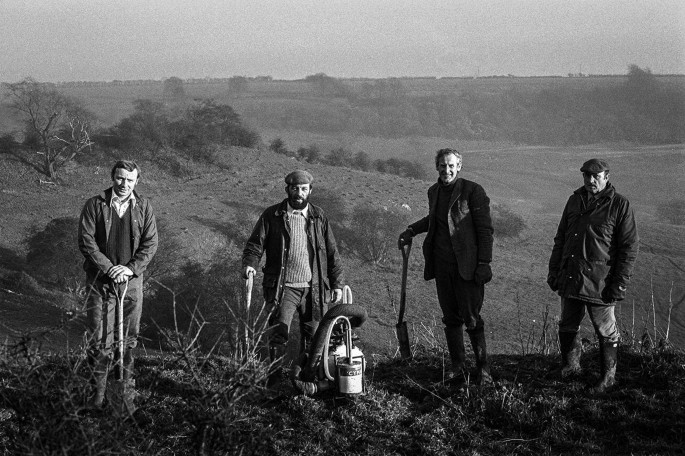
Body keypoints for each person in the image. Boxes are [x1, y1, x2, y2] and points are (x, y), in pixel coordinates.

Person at [398, 148, 494, 385]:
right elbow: (435, 219)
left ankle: (483, 370)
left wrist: (484, 263)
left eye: (451, 165)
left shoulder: (473, 191)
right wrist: (411, 229)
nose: (446, 170)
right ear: (437, 167)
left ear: (459, 166)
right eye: (442, 165)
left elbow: (485, 230)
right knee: (451, 318)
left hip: (468, 267)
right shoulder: (434, 191)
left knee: (472, 318)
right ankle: (457, 367)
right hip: (442, 266)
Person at [242, 170, 344, 385]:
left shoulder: (319, 216)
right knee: (279, 334)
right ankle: (275, 382)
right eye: (295, 188)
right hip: (283, 288)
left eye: (304, 189)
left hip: (314, 289)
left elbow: (332, 252)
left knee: (313, 339)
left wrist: (337, 284)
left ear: (310, 191)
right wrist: (250, 265)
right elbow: (254, 245)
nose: (299, 193)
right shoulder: (272, 215)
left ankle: (306, 382)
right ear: (287, 189)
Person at [547, 158, 638, 393]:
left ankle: (608, 378)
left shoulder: (619, 205)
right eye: (586, 176)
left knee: (606, 330)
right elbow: (561, 238)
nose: (590, 180)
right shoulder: (574, 200)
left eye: (595, 176)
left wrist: (619, 283)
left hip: (600, 281)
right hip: (571, 276)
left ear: (606, 177)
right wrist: (554, 270)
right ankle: (571, 367)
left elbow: (629, 248)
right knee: (567, 324)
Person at [78, 160, 158, 408]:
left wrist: (130, 269)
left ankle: (123, 398)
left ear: (137, 182)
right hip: (100, 283)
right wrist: (109, 268)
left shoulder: (144, 207)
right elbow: (86, 241)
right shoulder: (95, 204)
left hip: (131, 285)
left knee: (127, 340)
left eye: (130, 180)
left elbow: (150, 243)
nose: (124, 184)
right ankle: (97, 398)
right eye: (120, 178)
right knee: (100, 340)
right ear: (112, 177)